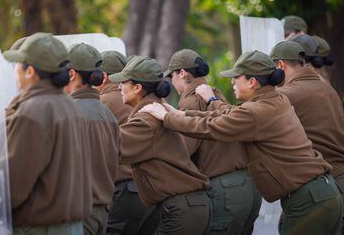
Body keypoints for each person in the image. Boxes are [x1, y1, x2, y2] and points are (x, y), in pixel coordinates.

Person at [141, 50, 342, 235]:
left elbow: (210, 127)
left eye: (236, 78)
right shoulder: (274, 100)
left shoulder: (256, 111)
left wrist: (167, 118)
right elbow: (230, 113)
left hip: (308, 198)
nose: (232, 83)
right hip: (320, 193)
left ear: (252, 82)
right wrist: (181, 112)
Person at [109, 56, 211, 234]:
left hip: (182, 207)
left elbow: (110, 146)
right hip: (188, 205)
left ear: (137, 88)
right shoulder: (155, 111)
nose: (119, 87)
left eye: (123, 83)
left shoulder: (146, 119)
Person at [164, 49, 261, 234]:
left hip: (225, 189)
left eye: (172, 76)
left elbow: (183, 151)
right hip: (247, 185)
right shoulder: (214, 95)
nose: (172, 82)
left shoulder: (191, 101)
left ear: (182, 73)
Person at [3, 33, 91, 234]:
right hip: (71, 226)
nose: (14, 70)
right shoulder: (70, 105)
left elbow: (14, 187)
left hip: (40, 227)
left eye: (17, 64)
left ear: (30, 71)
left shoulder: (32, 111)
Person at [270, 40, 344, 233]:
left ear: (281, 65)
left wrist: (212, 101)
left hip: (323, 184)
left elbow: (248, 115)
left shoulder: (287, 94)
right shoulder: (327, 88)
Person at [65, 43, 121, 235]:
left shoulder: (69, 112)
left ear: (71, 74)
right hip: (102, 213)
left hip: (79, 213)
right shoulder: (107, 113)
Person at [97, 51, 150, 235]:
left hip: (123, 189)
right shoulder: (140, 97)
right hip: (145, 187)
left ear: (102, 77)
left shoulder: (103, 102)